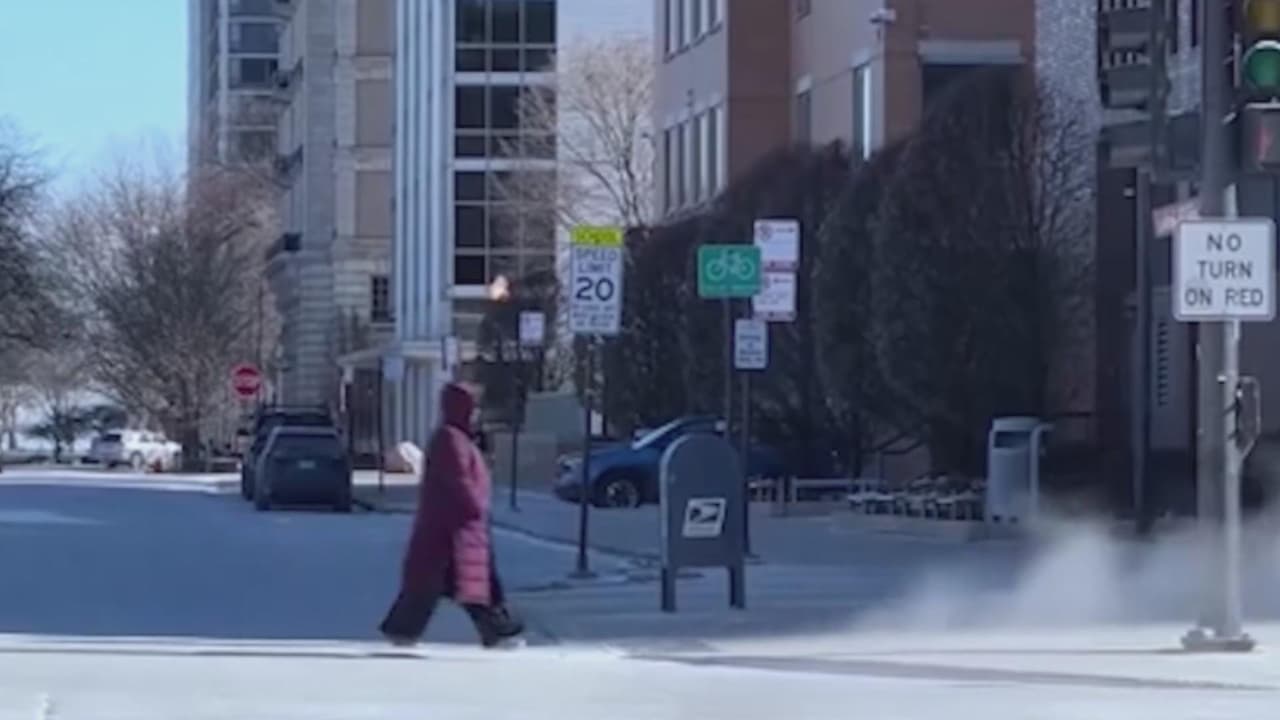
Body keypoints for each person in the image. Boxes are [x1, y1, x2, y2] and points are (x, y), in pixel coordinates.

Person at [379, 382, 524, 648]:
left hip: (457, 529)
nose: (478, 414)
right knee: (455, 583)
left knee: (465, 584)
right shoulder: (449, 439)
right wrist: (475, 507)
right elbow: (458, 482)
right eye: (474, 408)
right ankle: (500, 632)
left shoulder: (459, 438)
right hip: (452, 530)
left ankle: (403, 630)